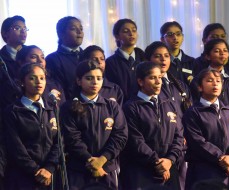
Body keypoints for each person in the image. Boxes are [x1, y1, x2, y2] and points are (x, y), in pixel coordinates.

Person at [60, 60, 128, 190]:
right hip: (79, 169)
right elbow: (72, 138)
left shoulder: (112, 106)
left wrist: (102, 160)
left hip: (107, 169)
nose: (95, 82)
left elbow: (120, 136)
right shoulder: (68, 107)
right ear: (79, 81)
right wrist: (90, 161)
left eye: (99, 78)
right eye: (89, 78)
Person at [119, 61, 183, 189]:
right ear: (140, 81)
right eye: (152, 78)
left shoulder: (169, 104)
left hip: (170, 169)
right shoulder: (131, 107)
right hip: (142, 171)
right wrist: (157, 162)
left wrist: (170, 160)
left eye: (159, 77)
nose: (158, 82)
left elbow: (179, 135)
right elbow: (135, 141)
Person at [182, 69, 229, 189]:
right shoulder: (193, 112)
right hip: (205, 171)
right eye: (210, 81)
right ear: (200, 87)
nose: (215, 84)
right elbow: (197, 141)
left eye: (218, 81)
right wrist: (221, 158)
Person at [2, 63, 59, 189]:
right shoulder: (13, 111)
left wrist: (49, 168)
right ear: (22, 82)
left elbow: (59, 142)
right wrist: (36, 171)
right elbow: (15, 146)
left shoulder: (52, 109)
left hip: (50, 176)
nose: (38, 81)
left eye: (42, 78)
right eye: (32, 78)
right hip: (22, 176)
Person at [145, 41, 191, 190]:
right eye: (158, 56)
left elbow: (189, 113)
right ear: (148, 60)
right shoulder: (149, 86)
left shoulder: (180, 85)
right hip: (161, 147)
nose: (163, 60)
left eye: (166, 56)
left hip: (181, 145)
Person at [190, 39, 229, 109]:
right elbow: (195, 104)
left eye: (225, 50)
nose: (222, 53)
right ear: (207, 56)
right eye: (217, 51)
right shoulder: (199, 80)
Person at [105, 18, 145, 103]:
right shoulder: (110, 63)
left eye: (134, 30)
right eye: (126, 31)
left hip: (144, 106)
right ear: (117, 36)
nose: (131, 34)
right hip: (122, 107)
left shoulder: (144, 58)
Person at [46, 16, 84, 100]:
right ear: (61, 34)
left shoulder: (88, 55)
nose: (79, 32)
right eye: (73, 29)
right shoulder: (52, 59)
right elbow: (56, 87)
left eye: (81, 28)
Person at [160, 21, 195, 86]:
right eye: (170, 34)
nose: (175, 38)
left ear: (183, 37)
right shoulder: (161, 62)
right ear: (162, 39)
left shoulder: (192, 62)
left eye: (178, 34)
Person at [0, 15, 27, 79]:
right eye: (17, 28)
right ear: (5, 33)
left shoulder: (31, 53)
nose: (23, 31)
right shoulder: (1, 57)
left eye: (25, 28)